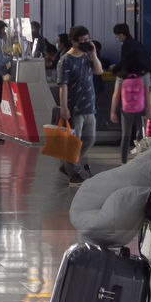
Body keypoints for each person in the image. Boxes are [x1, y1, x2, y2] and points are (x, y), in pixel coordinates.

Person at [56, 25, 102, 184]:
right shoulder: (65, 61)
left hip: (89, 105)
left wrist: (93, 54)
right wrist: (64, 107)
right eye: (82, 41)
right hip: (74, 108)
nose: (86, 43)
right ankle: (73, 172)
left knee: (90, 139)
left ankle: (68, 165)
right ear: (73, 42)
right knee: (74, 141)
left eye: (88, 40)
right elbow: (63, 86)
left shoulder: (87, 56)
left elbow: (98, 71)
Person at [111, 30, 151, 163]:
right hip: (141, 107)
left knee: (126, 136)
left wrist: (113, 112)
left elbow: (116, 95)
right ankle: (140, 160)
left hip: (126, 109)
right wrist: (149, 110)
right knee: (141, 134)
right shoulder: (144, 74)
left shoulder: (122, 75)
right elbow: (147, 93)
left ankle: (123, 162)